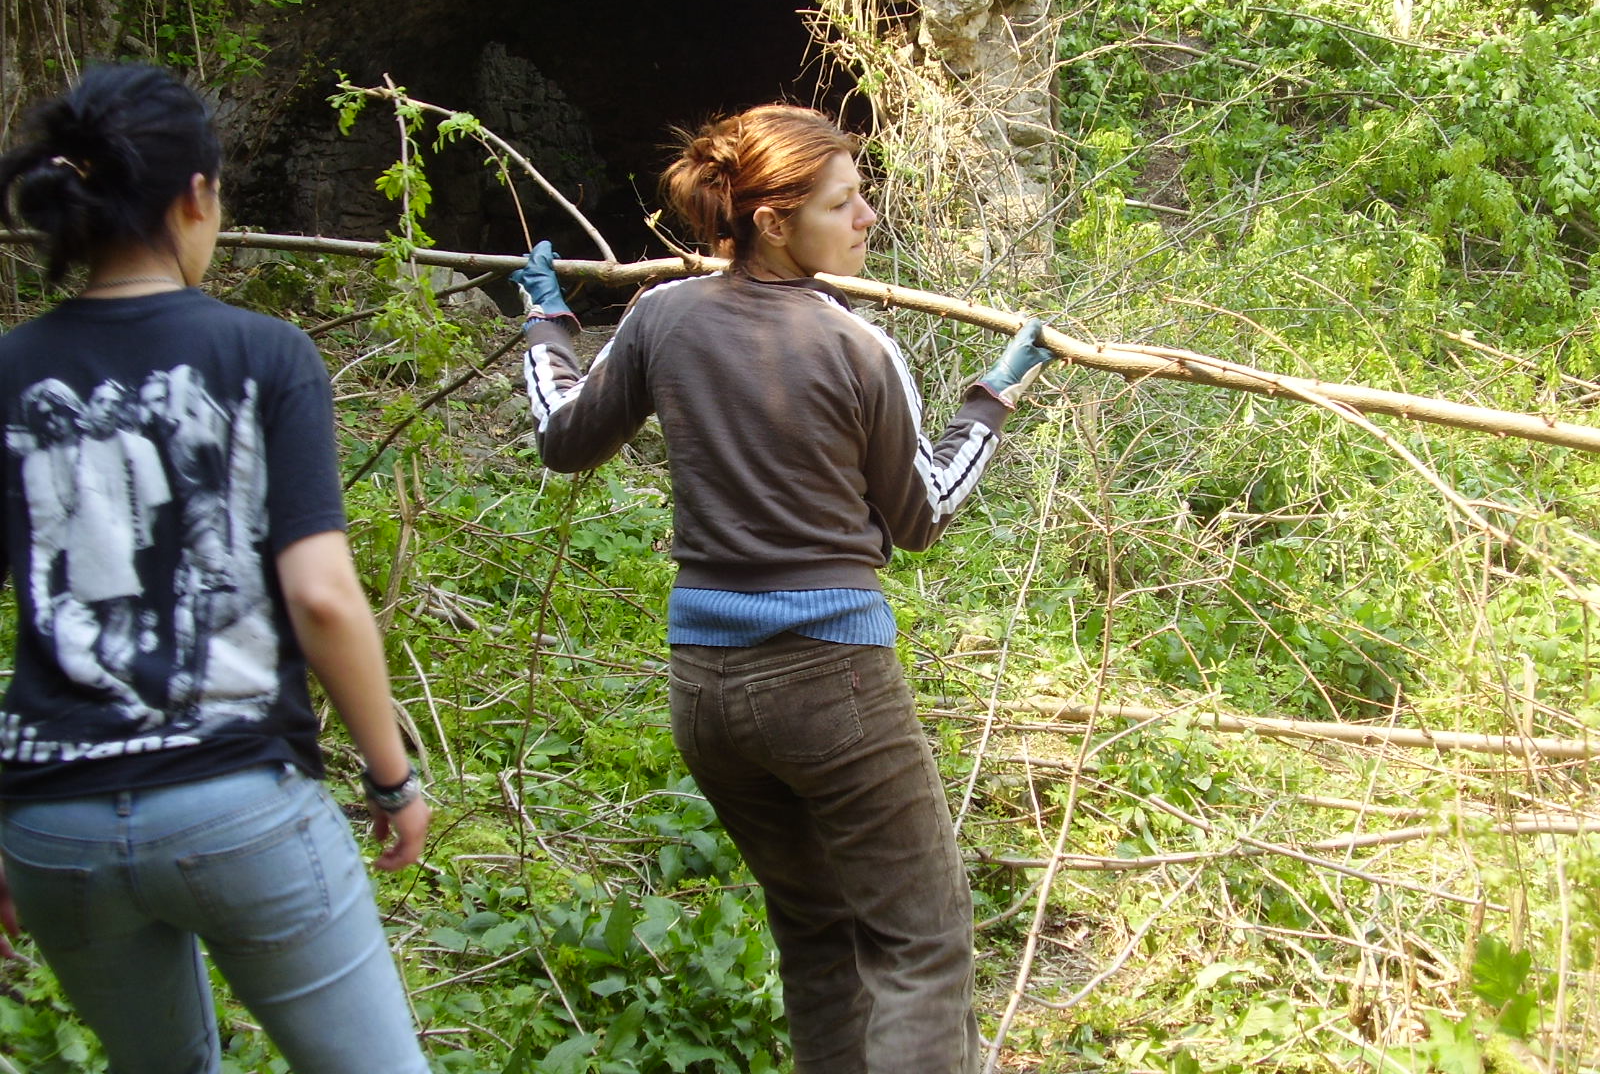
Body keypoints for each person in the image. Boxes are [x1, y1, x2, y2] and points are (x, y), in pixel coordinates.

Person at [514, 103, 1054, 1074]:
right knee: (917, 947)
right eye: (845, 204)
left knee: (817, 939)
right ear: (772, 219)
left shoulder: (657, 317)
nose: (867, 220)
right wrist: (990, 399)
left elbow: (564, 439)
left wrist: (547, 322)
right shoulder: (857, 349)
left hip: (707, 695)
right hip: (832, 686)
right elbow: (918, 517)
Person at [0, 63, 432, 1074]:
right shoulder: (263, 356)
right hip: (235, 803)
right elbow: (321, 596)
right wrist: (390, 775)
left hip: (51, 825)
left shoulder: (9, 371)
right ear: (197, 195)